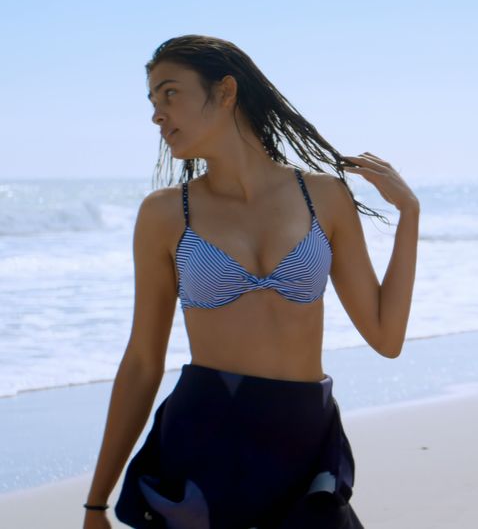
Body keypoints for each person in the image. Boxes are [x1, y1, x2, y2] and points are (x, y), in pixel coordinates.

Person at [82, 35, 420, 528]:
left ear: (225, 92)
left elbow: (386, 338)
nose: (157, 114)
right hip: (203, 446)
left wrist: (409, 215)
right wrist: (96, 503)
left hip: (303, 447)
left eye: (170, 93)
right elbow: (141, 361)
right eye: (152, 102)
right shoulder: (164, 214)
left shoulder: (324, 197)